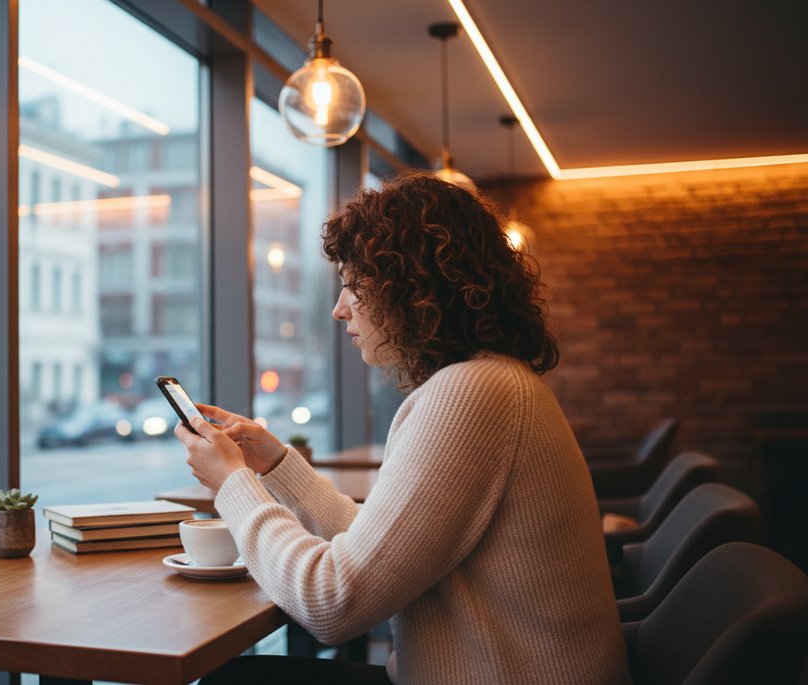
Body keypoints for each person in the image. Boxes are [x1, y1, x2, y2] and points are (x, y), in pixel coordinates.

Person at [175, 172, 630, 684]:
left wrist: (232, 484)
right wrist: (276, 466)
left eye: (353, 286)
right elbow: (385, 548)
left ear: (412, 289)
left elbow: (332, 602)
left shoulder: (471, 393)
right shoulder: (495, 379)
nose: (338, 308)